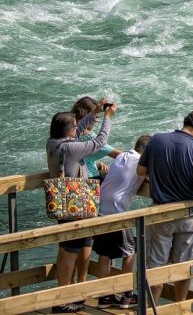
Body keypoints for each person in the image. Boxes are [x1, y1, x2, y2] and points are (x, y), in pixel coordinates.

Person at [137, 108, 193, 303]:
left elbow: (140, 170)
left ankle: (150, 307)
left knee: (156, 267)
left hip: (160, 215)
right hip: (187, 217)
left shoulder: (156, 140)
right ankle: (179, 306)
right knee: (185, 267)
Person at [45, 100, 116, 313]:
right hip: (75, 205)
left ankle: (63, 295)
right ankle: (63, 300)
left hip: (61, 201)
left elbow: (81, 128)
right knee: (71, 251)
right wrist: (107, 117)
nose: (78, 128)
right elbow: (100, 140)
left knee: (67, 248)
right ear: (69, 131)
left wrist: (94, 111)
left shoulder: (53, 143)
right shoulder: (72, 148)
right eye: (75, 126)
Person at [92, 134, 151, 309]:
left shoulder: (122, 156)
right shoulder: (140, 161)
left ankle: (105, 297)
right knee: (130, 251)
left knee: (105, 255)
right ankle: (127, 295)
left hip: (101, 208)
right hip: (116, 212)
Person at [71, 96, 120, 179]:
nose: (97, 118)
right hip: (89, 182)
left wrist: (96, 164)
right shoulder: (89, 136)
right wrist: (107, 116)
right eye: (97, 115)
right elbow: (117, 154)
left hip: (71, 183)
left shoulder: (67, 134)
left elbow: (81, 160)